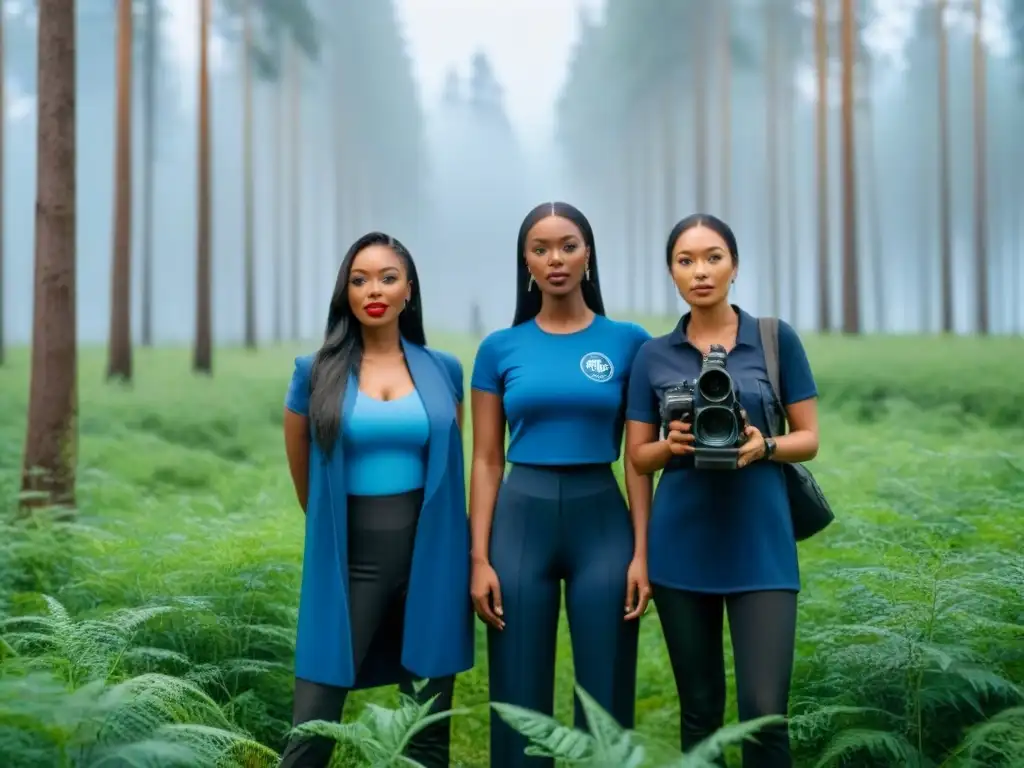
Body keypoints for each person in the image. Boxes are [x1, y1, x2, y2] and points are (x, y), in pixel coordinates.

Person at [624, 214, 820, 767]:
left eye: (713, 257)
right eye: (685, 261)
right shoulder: (652, 355)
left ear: (735, 265)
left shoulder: (776, 339)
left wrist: (765, 446)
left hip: (761, 541)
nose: (700, 271)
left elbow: (809, 439)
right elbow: (636, 457)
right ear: (672, 273)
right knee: (700, 712)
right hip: (681, 544)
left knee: (764, 713)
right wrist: (673, 445)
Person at [469, 201, 653, 767]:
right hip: (520, 525)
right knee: (518, 701)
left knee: (606, 700)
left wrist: (643, 552)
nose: (556, 259)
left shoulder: (629, 342)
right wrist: (479, 558)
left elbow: (640, 459)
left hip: (603, 523)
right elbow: (486, 460)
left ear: (588, 255)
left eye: (568, 245)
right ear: (525, 261)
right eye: (541, 248)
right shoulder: (500, 348)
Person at [278, 232, 473, 768]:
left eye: (388, 277)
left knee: (427, 725)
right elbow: (304, 471)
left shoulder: (444, 370)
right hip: (351, 558)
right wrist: (334, 528)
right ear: (346, 292)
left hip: (431, 555)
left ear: (409, 289)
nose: (374, 290)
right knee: (313, 723)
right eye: (359, 279)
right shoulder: (313, 371)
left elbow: (450, 462)